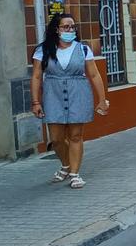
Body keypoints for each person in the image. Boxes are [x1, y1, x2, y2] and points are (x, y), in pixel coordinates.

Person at [30, 13, 110, 189]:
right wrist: (36, 102)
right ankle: (65, 165)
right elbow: (36, 76)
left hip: (78, 93)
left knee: (75, 135)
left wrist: (102, 99)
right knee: (56, 139)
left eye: (72, 27)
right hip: (53, 94)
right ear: (57, 29)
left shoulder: (83, 49)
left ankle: (75, 173)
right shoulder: (43, 50)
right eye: (66, 27)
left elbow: (95, 74)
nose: (70, 30)